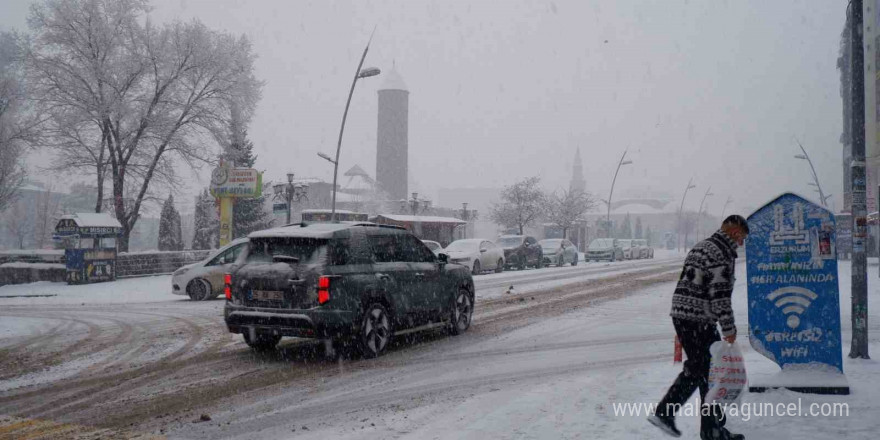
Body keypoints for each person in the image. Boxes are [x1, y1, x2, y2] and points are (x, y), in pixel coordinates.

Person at [647, 215, 749, 440]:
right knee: (702, 371)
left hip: (683, 315)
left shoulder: (703, 246)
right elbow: (719, 296)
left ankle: (711, 429)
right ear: (735, 233)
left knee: (707, 372)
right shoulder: (721, 254)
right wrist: (729, 329)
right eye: (741, 238)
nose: (741, 244)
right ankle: (667, 413)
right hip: (699, 318)